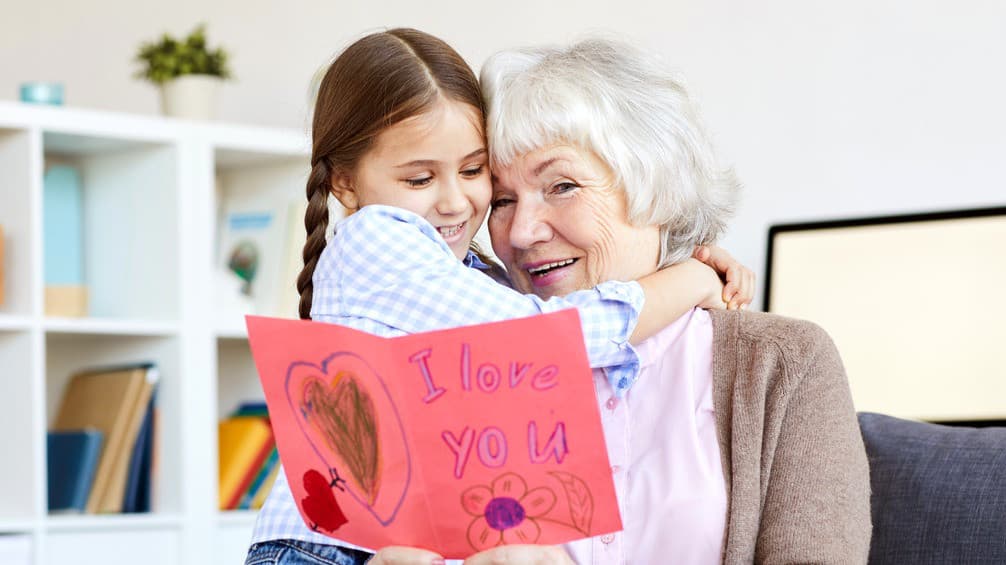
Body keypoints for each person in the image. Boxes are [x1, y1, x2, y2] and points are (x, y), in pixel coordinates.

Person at [245, 29, 754, 565]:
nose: (455, 201)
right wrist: (690, 280)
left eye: (472, 171)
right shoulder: (375, 239)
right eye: (419, 179)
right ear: (345, 185)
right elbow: (545, 338)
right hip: (324, 550)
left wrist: (685, 259)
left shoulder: (464, 275)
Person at [372, 39, 872, 564]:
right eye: (501, 200)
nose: (521, 231)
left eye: (561, 186)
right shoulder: (460, 360)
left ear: (655, 183)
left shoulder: (781, 363)